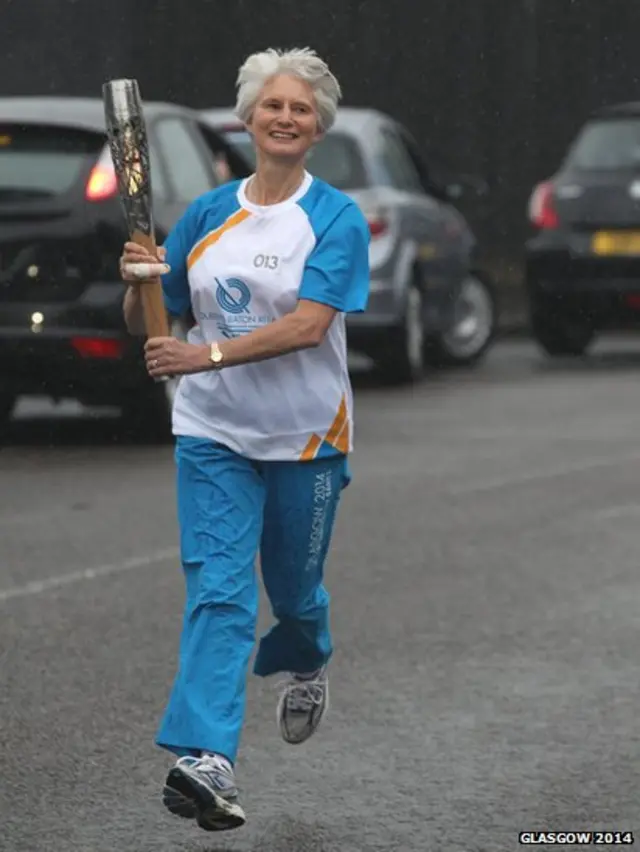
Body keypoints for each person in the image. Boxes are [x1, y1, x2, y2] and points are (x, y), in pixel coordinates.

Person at [119, 46, 370, 833]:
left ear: (317, 126)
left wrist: (204, 353)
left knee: (293, 591)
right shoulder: (206, 214)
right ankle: (209, 758)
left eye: (301, 109)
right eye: (273, 106)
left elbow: (308, 325)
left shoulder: (334, 217)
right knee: (220, 591)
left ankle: (308, 651)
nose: (286, 117)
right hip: (213, 431)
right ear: (248, 118)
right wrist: (138, 287)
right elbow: (153, 321)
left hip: (304, 436)